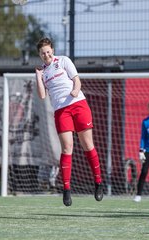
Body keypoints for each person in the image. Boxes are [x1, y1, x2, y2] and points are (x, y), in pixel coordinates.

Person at [35, 37, 103, 206]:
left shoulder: (64, 61)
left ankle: (98, 182)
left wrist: (75, 90)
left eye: (48, 51)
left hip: (78, 105)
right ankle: (66, 189)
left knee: (87, 145)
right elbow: (42, 95)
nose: (46, 55)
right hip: (61, 111)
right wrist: (38, 76)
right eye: (43, 53)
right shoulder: (42, 71)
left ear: (52, 50)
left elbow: (77, 80)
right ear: (39, 54)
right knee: (67, 148)